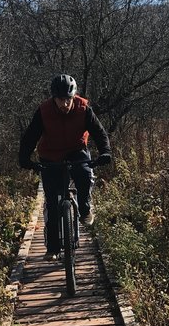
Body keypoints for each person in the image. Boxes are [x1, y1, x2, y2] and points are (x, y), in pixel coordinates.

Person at [19, 73, 112, 260]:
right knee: (52, 203)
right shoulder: (44, 111)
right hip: (50, 155)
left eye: (68, 99)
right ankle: (53, 248)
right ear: (54, 98)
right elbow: (30, 136)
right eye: (60, 99)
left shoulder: (83, 108)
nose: (64, 104)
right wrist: (24, 158)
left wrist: (105, 152)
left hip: (76, 151)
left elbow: (99, 132)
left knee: (85, 175)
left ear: (73, 96)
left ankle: (84, 208)